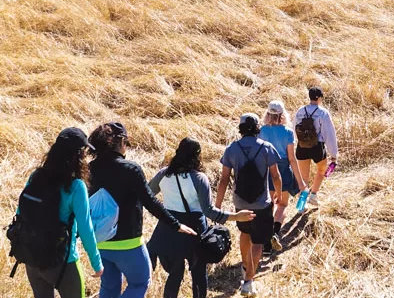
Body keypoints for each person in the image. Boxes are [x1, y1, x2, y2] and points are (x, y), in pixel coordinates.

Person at [88, 122, 197, 298]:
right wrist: (176, 224)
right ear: (121, 141)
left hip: (100, 240)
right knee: (140, 282)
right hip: (129, 242)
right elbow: (150, 202)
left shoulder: (89, 169)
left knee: (109, 288)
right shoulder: (131, 169)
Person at [148, 139, 255, 298]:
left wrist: (163, 213)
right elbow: (209, 211)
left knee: (174, 276)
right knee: (198, 276)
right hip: (195, 231)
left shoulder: (164, 174)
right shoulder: (199, 178)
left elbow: (148, 195)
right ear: (197, 156)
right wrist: (236, 217)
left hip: (168, 229)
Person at [18, 128, 104, 298]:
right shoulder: (75, 186)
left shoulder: (36, 176)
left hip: (33, 258)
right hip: (64, 262)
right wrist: (97, 263)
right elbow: (86, 229)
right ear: (78, 155)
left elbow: (21, 212)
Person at [215, 114, 281, 298]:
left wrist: (218, 205)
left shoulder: (232, 149)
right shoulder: (267, 148)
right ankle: (248, 281)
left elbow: (224, 179)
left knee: (245, 234)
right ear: (257, 128)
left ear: (241, 129)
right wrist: (277, 194)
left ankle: (245, 267)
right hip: (262, 203)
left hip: (240, 203)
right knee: (258, 242)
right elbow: (276, 175)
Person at [257, 101, 299, 249]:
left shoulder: (261, 131)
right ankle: (274, 233)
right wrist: (300, 181)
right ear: (283, 115)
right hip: (284, 170)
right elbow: (292, 159)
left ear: (268, 114)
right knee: (282, 204)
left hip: (267, 170)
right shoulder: (288, 132)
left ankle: (266, 242)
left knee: (270, 205)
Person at [291, 87, 337, 210]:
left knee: (304, 178)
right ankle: (314, 194)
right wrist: (333, 153)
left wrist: (300, 141)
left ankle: (301, 205)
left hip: (302, 147)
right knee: (322, 170)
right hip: (317, 147)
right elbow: (329, 134)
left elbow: (294, 127)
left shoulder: (301, 111)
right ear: (320, 98)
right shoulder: (323, 113)